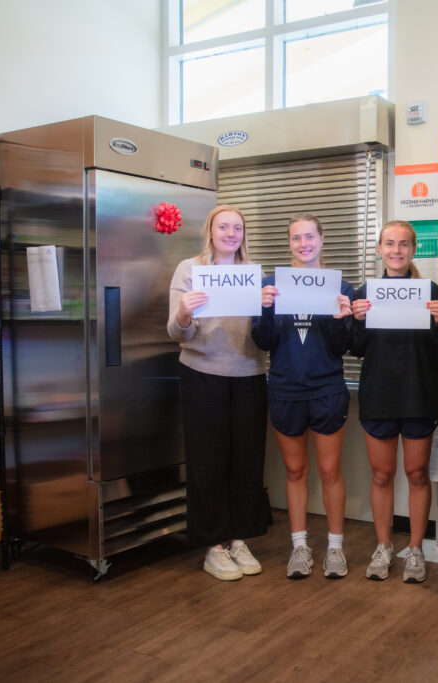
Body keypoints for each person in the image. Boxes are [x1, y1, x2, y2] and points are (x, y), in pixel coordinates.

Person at [167, 205, 270, 581]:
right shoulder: (189, 270)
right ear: (210, 231)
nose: (231, 233)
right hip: (202, 374)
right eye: (223, 226)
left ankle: (238, 538)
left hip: (249, 375)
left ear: (244, 234)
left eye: (237, 228)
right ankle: (213, 546)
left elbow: (264, 331)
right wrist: (183, 313)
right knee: (207, 462)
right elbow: (176, 332)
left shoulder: (253, 275)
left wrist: (269, 308)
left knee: (246, 461)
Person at [251, 213, 354, 579]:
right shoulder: (270, 285)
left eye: (310, 236)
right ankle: (299, 547)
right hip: (284, 390)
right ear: (289, 243)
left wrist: (344, 319)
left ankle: (336, 549)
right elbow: (262, 342)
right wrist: (263, 308)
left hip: (327, 390)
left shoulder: (341, 287)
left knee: (329, 471)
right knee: (295, 470)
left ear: (322, 240)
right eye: (296, 238)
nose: (303, 244)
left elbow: (344, 347)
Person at [351, 220, 438, 583]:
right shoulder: (367, 291)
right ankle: (383, 545)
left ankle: (417, 549)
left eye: (403, 244)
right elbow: (356, 349)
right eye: (389, 243)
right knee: (382, 474)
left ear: (413, 250)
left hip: (419, 395)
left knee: (417, 473)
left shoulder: (429, 290)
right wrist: (357, 321)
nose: (396, 250)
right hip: (379, 395)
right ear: (379, 249)